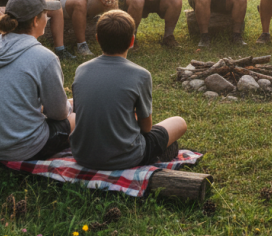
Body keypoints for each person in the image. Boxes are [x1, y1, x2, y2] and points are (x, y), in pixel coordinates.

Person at [69, 10, 187, 170]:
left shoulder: (81, 70)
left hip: (82, 155)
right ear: (132, 41)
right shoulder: (141, 75)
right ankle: (159, 153)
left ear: (97, 39)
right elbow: (146, 128)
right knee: (179, 123)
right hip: (125, 158)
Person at [0, 0, 71, 161]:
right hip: (20, 148)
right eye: (46, 14)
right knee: (75, 118)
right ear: (36, 20)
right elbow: (59, 114)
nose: (48, 19)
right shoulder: (44, 57)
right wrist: (68, 106)